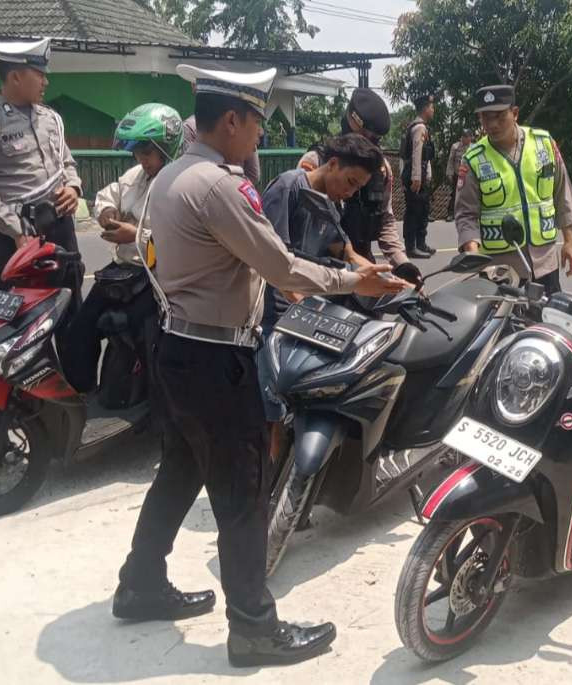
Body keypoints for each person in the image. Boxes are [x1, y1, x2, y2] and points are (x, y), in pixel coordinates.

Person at [111, 64, 407, 667]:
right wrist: (357, 281)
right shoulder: (221, 185)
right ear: (231, 120)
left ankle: (139, 583)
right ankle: (253, 628)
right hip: (217, 357)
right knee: (244, 495)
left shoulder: (169, 175)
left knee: (180, 471)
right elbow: (281, 266)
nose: (258, 136)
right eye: (256, 123)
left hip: (175, 343)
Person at [258, 132, 390, 459]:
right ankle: (265, 480)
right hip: (275, 315)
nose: (350, 191)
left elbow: (347, 253)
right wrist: (303, 305)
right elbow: (274, 264)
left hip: (307, 310)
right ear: (331, 164)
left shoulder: (331, 203)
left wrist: (389, 281)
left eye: (358, 187)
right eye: (350, 181)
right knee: (272, 410)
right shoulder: (288, 188)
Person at [59, 103, 182, 394]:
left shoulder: (179, 185)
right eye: (138, 153)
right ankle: (83, 394)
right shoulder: (136, 176)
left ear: (167, 147)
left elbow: (178, 241)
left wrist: (135, 237)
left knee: (143, 336)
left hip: (158, 280)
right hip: (123, 273)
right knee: (79, 329)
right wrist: (107, 212)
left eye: (148, 153)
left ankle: (152, 406)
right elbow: (106, 195)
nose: (142, 160)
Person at [0, 38, 83, 293]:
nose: (45, 82)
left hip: (59, 228)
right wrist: (16, 229)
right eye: (39, 74)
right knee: (11, 318)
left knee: (69, 311)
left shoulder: (50, 119)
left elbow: (66, 161)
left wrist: (73, 187)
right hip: (12, 235)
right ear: (15, 77)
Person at [456, 84, 572, 293]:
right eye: (485, 118)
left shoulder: (544, 144)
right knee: (505, 326)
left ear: (514, 113)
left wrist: (570, 242)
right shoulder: (473, 159)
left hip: (545, 262)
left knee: (547, 321)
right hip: (500, 268)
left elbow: (562, 194)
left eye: (499, 116)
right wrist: (472, 255)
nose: (492, 124)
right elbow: (466, 214)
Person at [298, 87, 408, 267]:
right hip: (319, 268)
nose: (350, 192)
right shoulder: (316, 162)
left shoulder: (381, 170)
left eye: (372, 139)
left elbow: (385, 221)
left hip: (361, 264)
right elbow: (300, 221)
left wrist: (402, 264)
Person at [401, 94, 436, 259]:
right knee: (413, 211)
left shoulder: (421, 126)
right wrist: (416, 178)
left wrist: (426, 174)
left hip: (420, 174)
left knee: (423, 210)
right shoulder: (419, 128)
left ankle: (421, 243)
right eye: (431, 107)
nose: (433, 109)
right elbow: (416, 154)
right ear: (424, 109)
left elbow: (425, 156)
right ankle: (411, 247)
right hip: (415, 175)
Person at [445, 129, 473, 219]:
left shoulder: (474, 147)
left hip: (469, 175)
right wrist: (449, 173)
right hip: (458, 174)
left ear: (470, 137)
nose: (465, 139)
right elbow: (450, 161)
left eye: (468, 137)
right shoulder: (455, 147)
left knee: (469, 194)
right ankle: (450, 213)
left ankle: (467, 214)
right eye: (464, 137)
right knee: (455, 194)